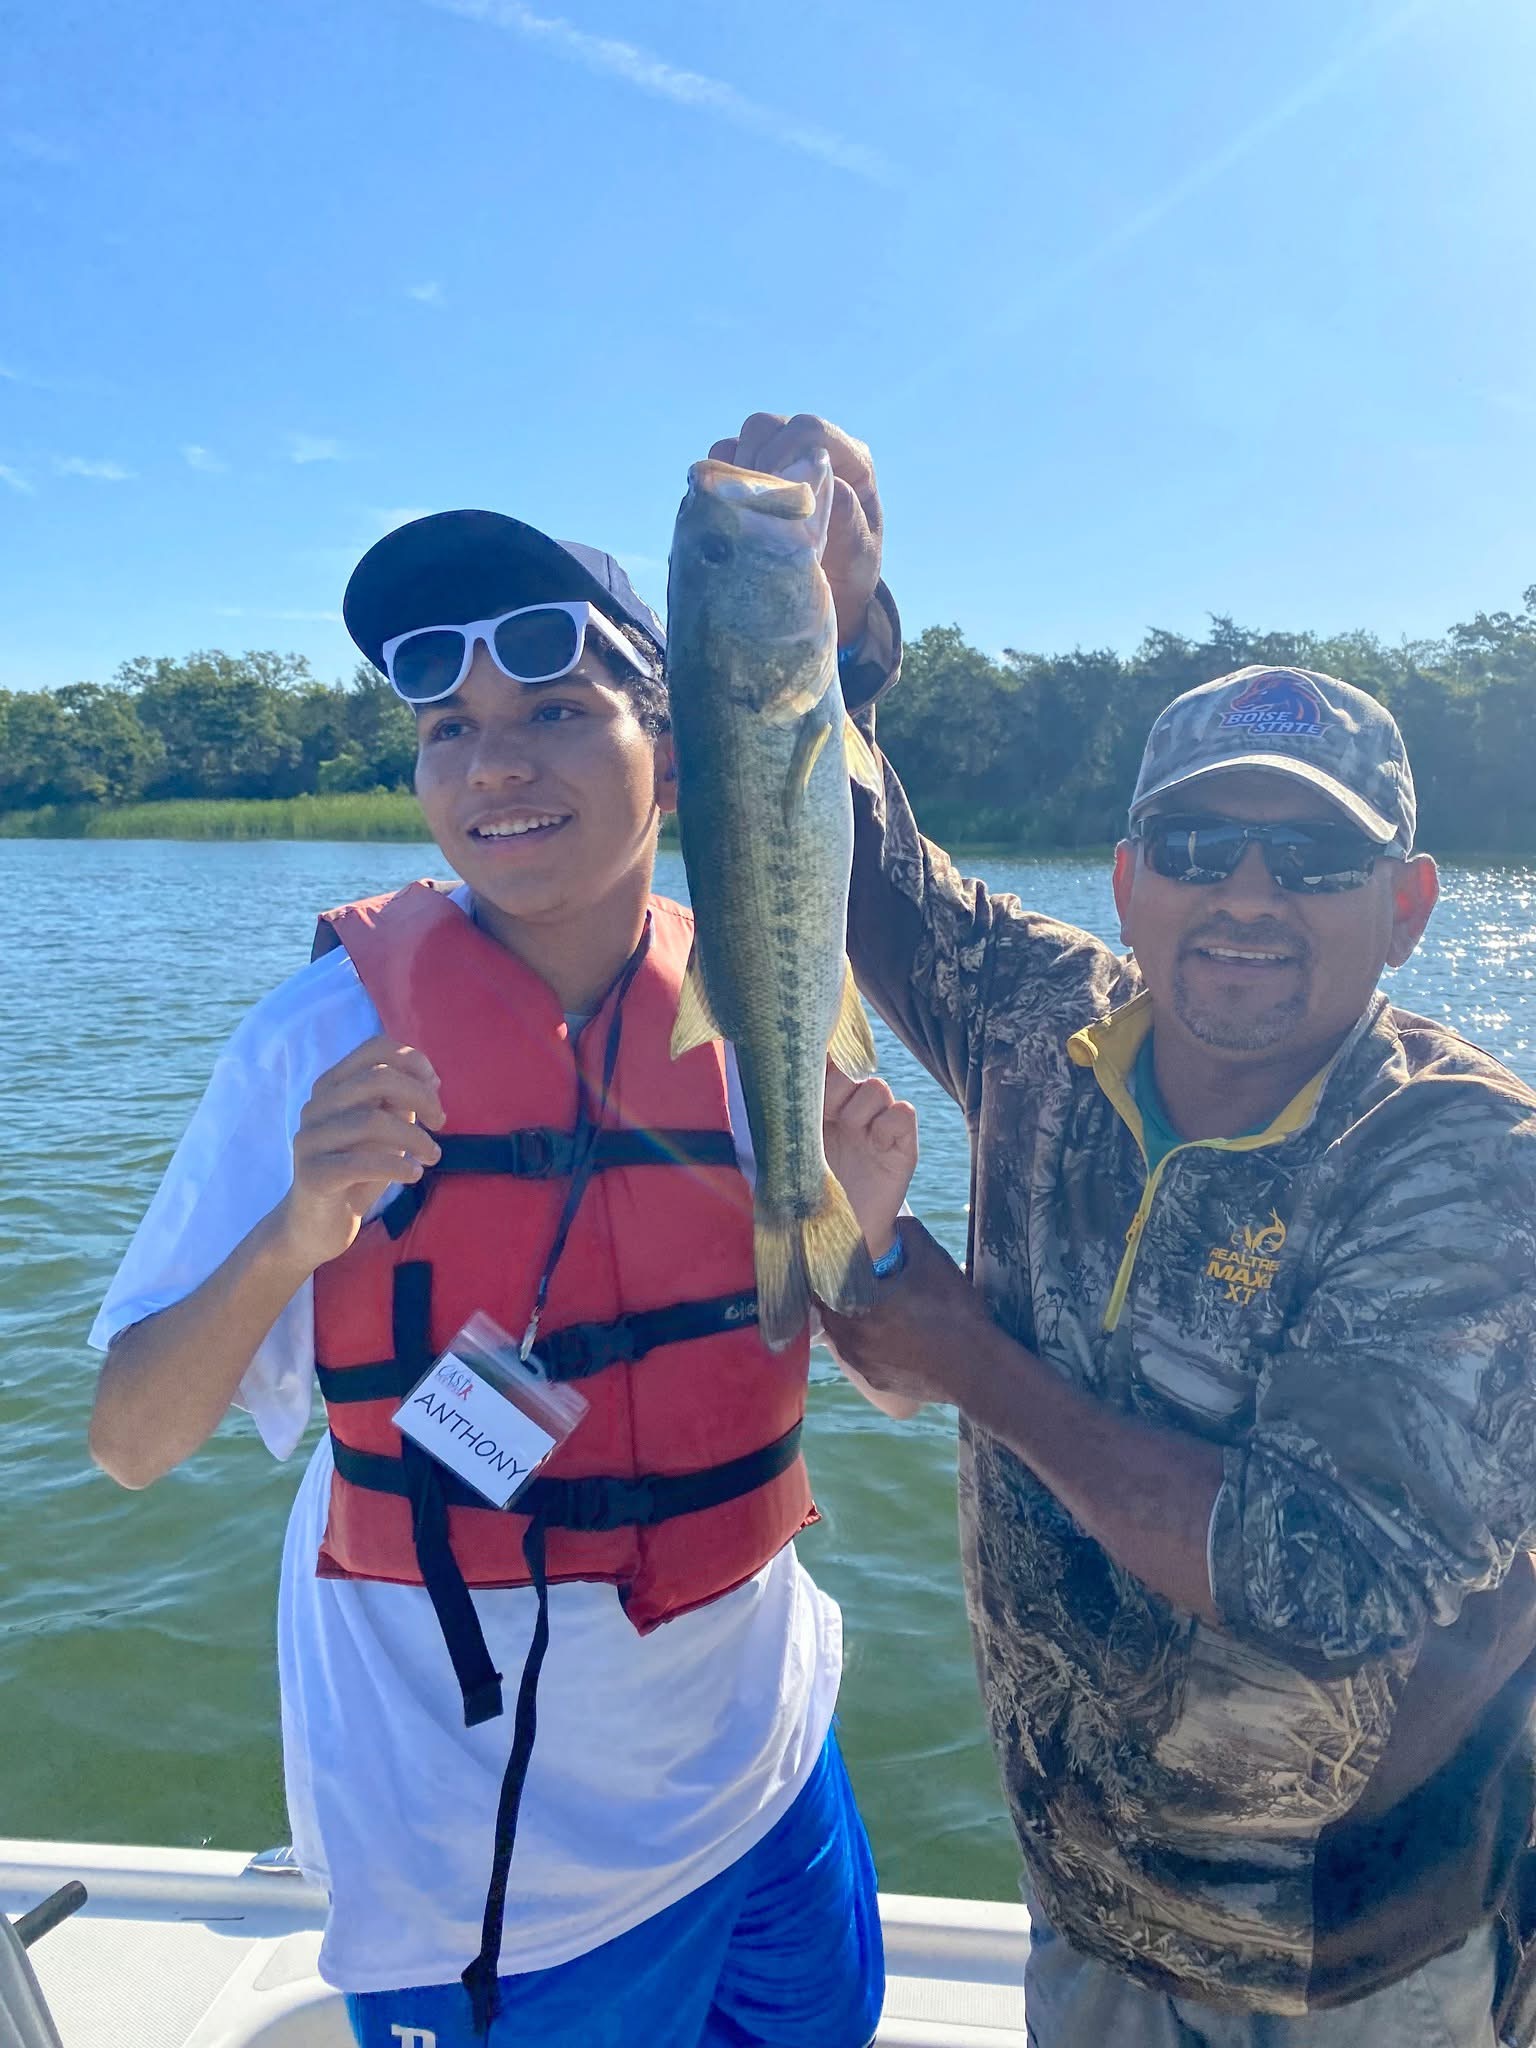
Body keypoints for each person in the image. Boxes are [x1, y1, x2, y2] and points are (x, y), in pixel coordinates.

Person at [707, 414, 1536, 2046]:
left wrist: (965, 1361)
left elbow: (1333, 1579)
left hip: (1362, 1969)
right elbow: (856, 880)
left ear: (1411, 902)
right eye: (1197, 846)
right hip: (1088, 1910)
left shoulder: (1466, 1160)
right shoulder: (1048, 1022)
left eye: (1310, 857)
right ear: (1128, 875)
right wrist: (836, 637)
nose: (1246, 894)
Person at [87, 501, 916, 2048]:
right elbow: (129, 1442)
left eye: (554, 712)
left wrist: (868, 1230)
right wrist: (294, 1228)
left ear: (676, 760)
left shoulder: (772, 1004)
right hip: (488, 1872)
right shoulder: (316, 1044)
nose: (495, 765)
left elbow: (880, 1370)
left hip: (770, 1763)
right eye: (446, 729)